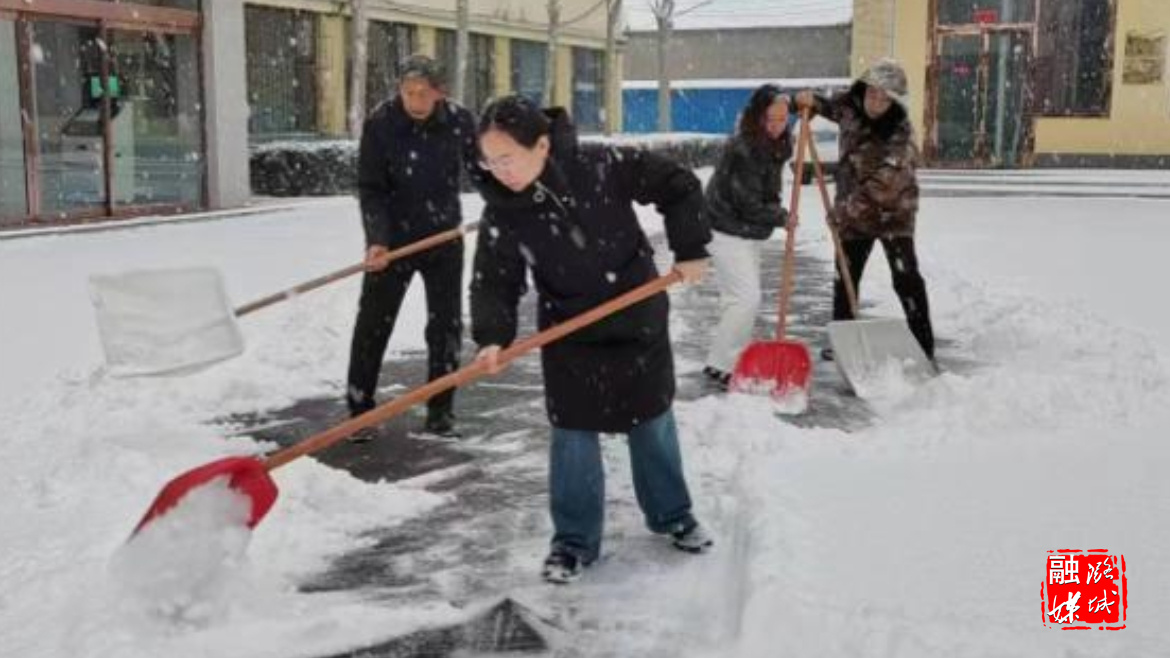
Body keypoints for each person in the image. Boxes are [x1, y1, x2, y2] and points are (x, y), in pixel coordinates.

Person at [470, 95, 714, 584]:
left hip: (635, 313)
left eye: (507, 158)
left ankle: (672, 515)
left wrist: (691, 248)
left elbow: (678, 184)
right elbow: (494, 279)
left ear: (541, 146)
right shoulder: (504, 207)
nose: (500, 172)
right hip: (569, 328)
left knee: (651, 420)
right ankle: (574, 541)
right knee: (572, 432)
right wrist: (493, 336)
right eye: (490, 161)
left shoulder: (601, 164)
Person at [346, 55, 483, 439]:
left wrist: (506, 205)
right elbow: (371, 189)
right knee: (373, 325)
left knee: (445, 327)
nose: (415, 100)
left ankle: (440, 411)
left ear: (440, 92)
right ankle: (359, 411)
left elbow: (481, 170)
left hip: (443, 238)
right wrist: (377, 240)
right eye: (408, 92)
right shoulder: (381, 123)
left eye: (423, 93)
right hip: (393, 242)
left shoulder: (459, 121)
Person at [795, 58, 936, 363]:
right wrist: (808, 101)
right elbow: (827, 106)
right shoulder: (850, 107)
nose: (875, 102)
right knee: (845, 275)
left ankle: (923, 343)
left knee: (905, 277)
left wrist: (842, 213)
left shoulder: (899, 134)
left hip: (893, 214)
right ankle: (844, 340)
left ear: (894, 100)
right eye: (872, 93)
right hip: (852, 214)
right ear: (864, 90)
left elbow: (881, 189)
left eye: (884, 98)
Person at [701, 84, 794, 389]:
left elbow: (765, 191)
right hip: (725, 227)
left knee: (737, 299)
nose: (777, 126)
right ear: (758, 117)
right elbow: (748, 203)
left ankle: (722, 363)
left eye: (783, 119)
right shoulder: (745, 150)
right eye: (771, 119)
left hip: (742, 229)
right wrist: (781, 216)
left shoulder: (772, 144)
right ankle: (725, 363)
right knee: (746, 299)